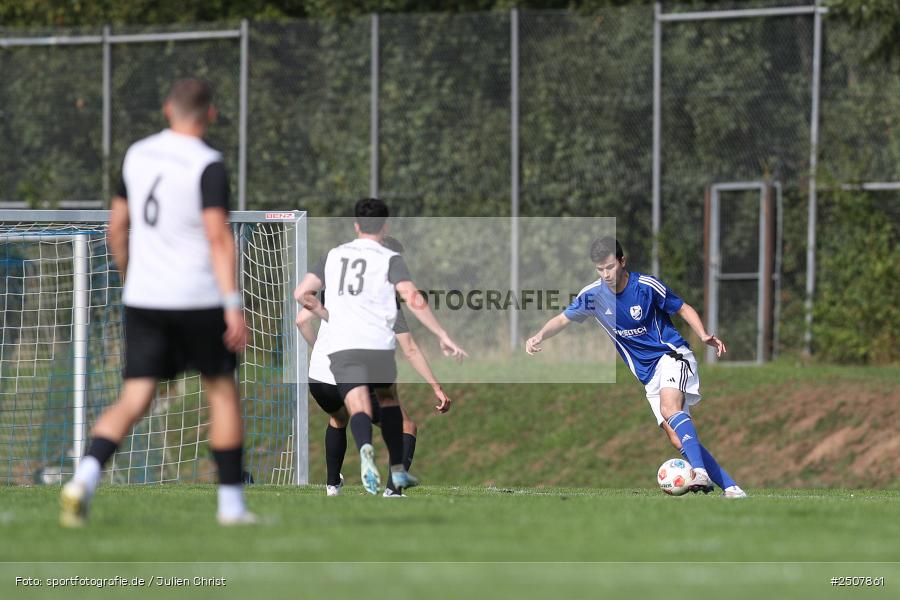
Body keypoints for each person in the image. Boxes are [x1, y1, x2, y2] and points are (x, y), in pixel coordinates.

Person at [60, 78, 256, 527]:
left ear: (168, 109)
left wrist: (133, 280)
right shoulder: (209, 163)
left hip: (145, 298)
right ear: (211, 114)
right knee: (223, 394)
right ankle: (231, 508)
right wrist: (232, 304)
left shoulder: (137, 155)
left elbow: (116, 228)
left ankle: (84, 479)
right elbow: (218, 236)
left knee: (134, 397)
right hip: (198, 297)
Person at [525, 236, 746, 498]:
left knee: (669, 408)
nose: (606, 274)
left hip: (672, 355)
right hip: (647, 375)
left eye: (609, 266)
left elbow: (683, 308)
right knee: (677, 439)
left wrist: (703, 334)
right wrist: (539, 335)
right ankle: (732, 488)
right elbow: (563, 319)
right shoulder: (593, 296)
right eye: (600, 269)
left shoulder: (645, 286)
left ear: (622, 261)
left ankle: (699, 471)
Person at [293, 198, 466, 495]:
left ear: (356, 225)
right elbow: (410, 341)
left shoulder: (334, 259)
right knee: (400, 418)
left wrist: (323, 330)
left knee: (341, 416)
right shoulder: (387, 272)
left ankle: (334, 485)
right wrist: (442, 337)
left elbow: (301, 310)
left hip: (323, 370)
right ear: (385, 228)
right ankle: (393, 488)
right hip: (370, 356)